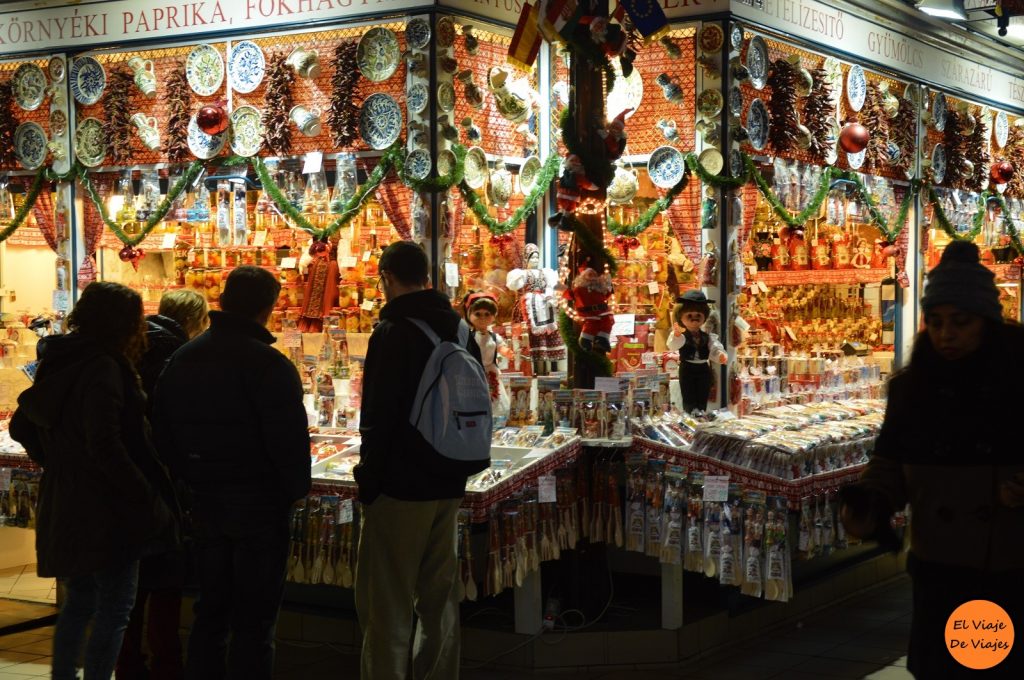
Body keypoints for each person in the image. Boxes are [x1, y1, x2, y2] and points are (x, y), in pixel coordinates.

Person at [840, 241, 1024, 679]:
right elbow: (888, 462)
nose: (946, 335)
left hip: (1006, 562)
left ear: (988, 323)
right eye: (936, 322)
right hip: (939, 564)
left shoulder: (1017, 383)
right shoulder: (912, 389)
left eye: (960, 322)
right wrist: (871, 504)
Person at [9, 282, 177, 680]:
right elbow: (106, 444)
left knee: (80, 602)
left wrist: (58, 461)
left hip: (70, 498)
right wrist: (144, 496)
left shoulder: (61, 358)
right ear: (123, 323)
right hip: (107, 507)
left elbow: (24, 424)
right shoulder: (103, 366)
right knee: (116, 606)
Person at [152, 266, 311, 680]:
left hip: (206, 500)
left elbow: (161, 428)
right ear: (268, 308)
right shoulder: (268, 365)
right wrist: (293, 490)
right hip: (259, 503)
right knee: (255, 617)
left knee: (212, 608)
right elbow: (289, 441)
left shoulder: (184, 357)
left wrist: (189, 476)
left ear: (221, 301)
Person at [355, 241, 485, 680]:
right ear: (426, 276)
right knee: (439, 594)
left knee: (388, 600)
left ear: (387, 277)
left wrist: (369, 480)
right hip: (449, 476)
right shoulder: (462, 329)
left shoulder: (392, 332)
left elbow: (378, 414)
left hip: (400, 485)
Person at [117, 289, 208, 680]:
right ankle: (167, 665)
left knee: (130, 588)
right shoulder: (183, 358)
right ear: (194, 322)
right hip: (165, 485)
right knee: (166, 584)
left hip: (127, 489)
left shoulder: (130, 350)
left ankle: (128, 665)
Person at [666, 290, 726, 413]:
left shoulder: (707, 336)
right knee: (688, 398)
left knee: (702, 396)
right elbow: (672, 345)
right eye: (689, 315)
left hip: (704, 369)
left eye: (698, 315)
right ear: (680, 316)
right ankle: (689, 418)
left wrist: (720, 355)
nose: (694, 318)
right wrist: (677, 335)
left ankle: (701, 415)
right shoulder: (681, 336)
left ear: (704, 316)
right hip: (687, 368)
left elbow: (714, 347)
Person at [463, 291, 512, 417]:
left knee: (495, 398)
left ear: (493, 316)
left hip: (491, 373)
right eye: (478, 314)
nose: (482, 317)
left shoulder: (494, 337)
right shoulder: (467, 336)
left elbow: (501, 347)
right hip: (473, 372)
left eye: (487, 314)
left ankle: (496, 421)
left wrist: (507, 352)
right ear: (469, 315)